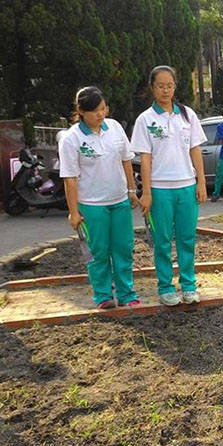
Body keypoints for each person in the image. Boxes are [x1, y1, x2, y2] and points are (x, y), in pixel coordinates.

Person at [131, 66, 207, 306]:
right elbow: (144, 158)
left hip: (186, 187)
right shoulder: (145, 120)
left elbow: (195, 149)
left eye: (169, 85)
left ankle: (189, 284)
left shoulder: (187, 115)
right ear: (152, 88)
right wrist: (146, 192)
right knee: (162, 240)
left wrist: (201, 181)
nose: (165, 90)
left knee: (187, 238)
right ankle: (165, 287)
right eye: (160, 86)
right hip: (160, 190)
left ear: (175, 86)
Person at [59, 87, 140, 310]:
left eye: (103, 109)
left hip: (119, 200)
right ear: (81, 111)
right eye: (95, 111)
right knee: (99, 251)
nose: (101, 114)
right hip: (92, 205)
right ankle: (103, 295)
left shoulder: (114, 128)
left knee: (123, 248)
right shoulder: (71, 138)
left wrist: (132, 191)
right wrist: (74, 211)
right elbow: (70, 178)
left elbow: (126, 160)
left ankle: (126, 292)